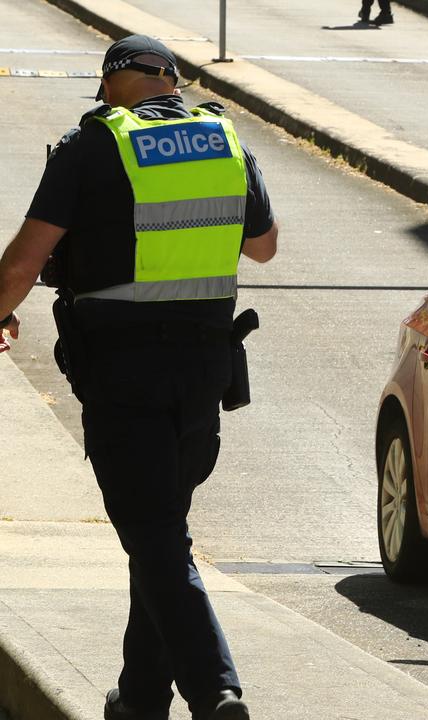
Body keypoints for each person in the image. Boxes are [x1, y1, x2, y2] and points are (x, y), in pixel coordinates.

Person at [0, 34, 277, 720]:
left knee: (153, 534)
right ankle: (142, 696)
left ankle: (215, 690)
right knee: (158, 530)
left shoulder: (93, 145)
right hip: (204, 372)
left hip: (124, 371)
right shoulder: (223, 139)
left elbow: (23, 263)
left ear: (118, 80)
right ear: (172, 80)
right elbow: (264, 247)